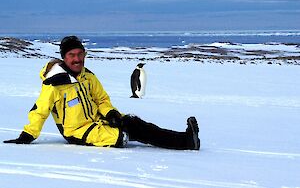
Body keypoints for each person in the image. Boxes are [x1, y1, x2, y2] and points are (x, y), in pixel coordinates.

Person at [3, 36, 200, 150]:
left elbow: (101, 99)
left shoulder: (88, 77)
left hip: (100, 120)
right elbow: (40, 110)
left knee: (135, 123)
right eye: (72, 55)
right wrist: (27, 135)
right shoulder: (55, 84)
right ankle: (186, 142)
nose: (77, 59)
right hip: (79, 132)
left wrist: (111, 113)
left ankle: (186, 140)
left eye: (80, 54)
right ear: (64, 58)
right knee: (123, 135)